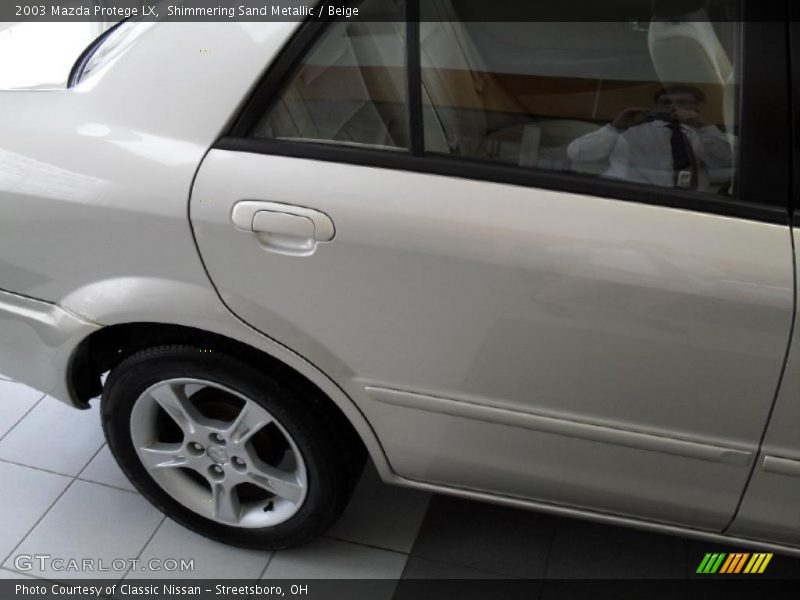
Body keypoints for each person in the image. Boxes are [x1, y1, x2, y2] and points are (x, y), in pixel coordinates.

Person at [566, 85, 733, 192]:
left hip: (687, 206)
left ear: (698, 106)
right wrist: (616, 127)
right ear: (657, 106)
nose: (673, 107)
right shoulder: (630, 129)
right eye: (666, 103)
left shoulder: (708, 134)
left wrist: (703, 126)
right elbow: (577, 153)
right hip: (625, 197)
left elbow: (727, 161)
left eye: (682, 102)